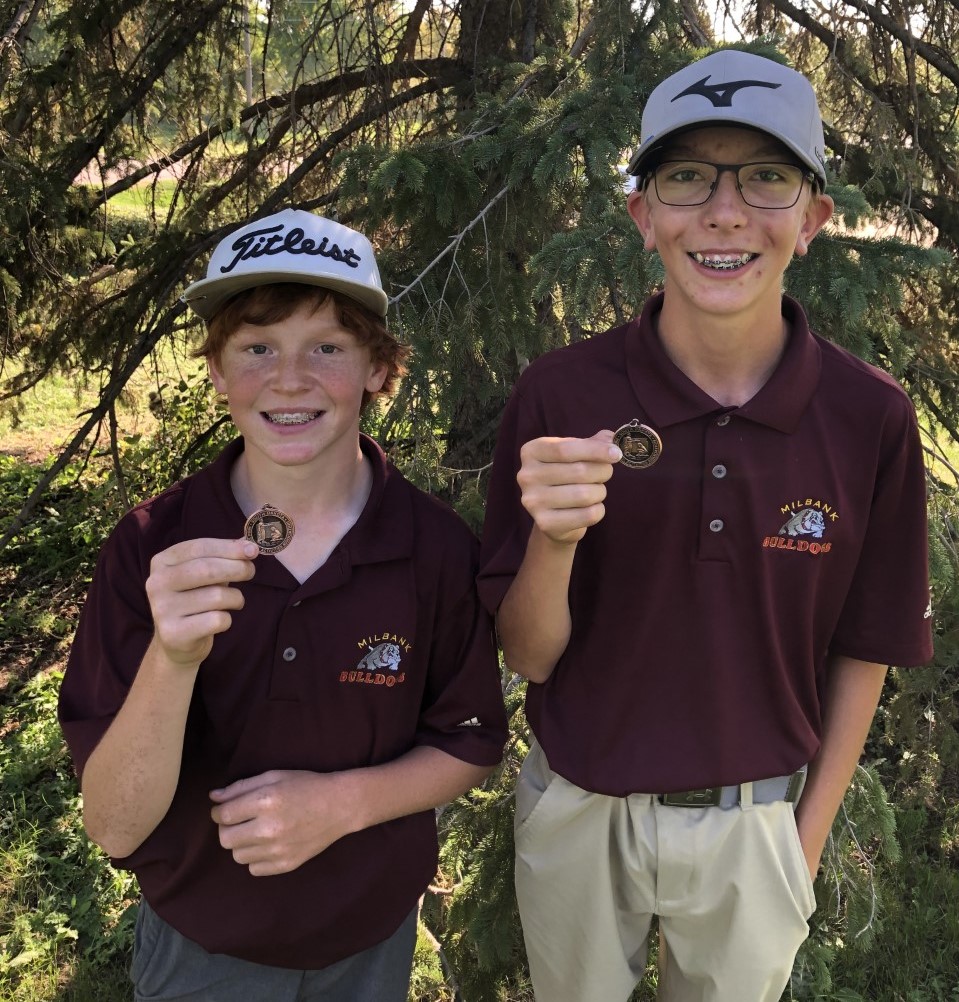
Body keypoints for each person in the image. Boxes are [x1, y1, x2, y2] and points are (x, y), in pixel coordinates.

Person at [479, 48, 933, 1002]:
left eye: (765, 178)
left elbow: (867, 646)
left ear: (811, 220)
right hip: (579, 815)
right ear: (643, 217)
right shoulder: (561, 394)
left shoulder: (868, 417)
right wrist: (555, 542)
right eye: (686, 176)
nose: (724, 212)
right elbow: (528, 655)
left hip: (756, 830)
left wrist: (803, 841)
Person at [58, 208, 508, 1002]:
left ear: (378, 367)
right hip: (201, 944)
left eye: (326, 348)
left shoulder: (434, 548)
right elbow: (115, 824)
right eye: (257, 348)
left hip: (370, 936)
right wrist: (172, 658)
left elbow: (468, 741)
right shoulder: (153, 546)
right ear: (217, 371)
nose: (290, 379)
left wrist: (343, 803)